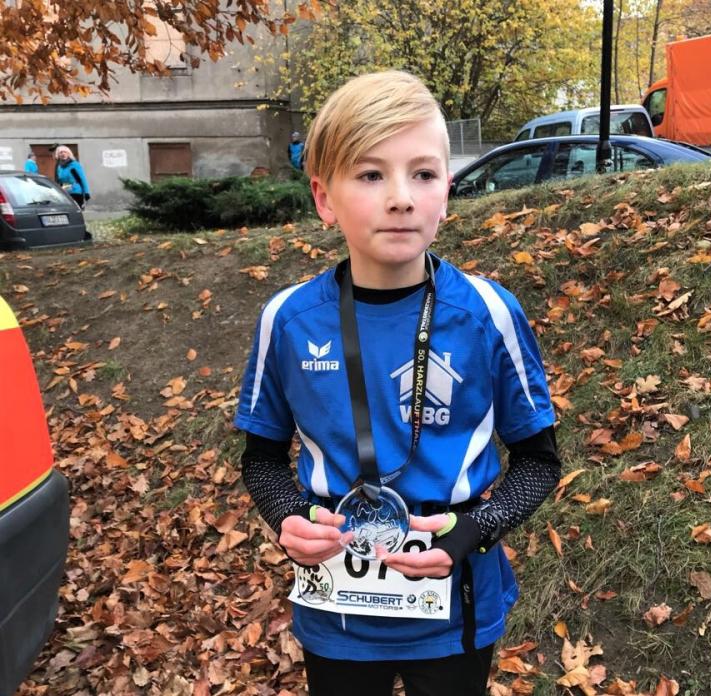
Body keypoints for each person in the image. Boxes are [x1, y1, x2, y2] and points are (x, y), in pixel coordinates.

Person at [234, 70, 561, 696]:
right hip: (336, 612)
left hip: (457, 607)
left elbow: (539, 461)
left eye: (424, 173)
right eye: (370, 175)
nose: (401, 198)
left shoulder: (488, 313)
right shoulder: (288, 320)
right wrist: (288, 516)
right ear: (324, 198)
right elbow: (262, 457)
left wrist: (474, 530)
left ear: (447, 192)